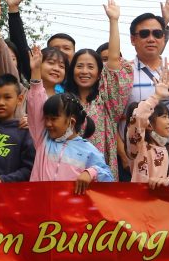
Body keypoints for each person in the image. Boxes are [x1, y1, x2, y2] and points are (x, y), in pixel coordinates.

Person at [63, 0, 133, 178]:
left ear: (100, 72)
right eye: (80, 66)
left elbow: (114, 63)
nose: (84, 71)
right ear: (72, 70)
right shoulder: (63, 101)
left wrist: (113, 21)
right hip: (68, 173)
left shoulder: (106, 101)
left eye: (90, 67)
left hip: (100, 175)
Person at [25, 63, 113, 192]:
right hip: (39, 203)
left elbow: (108, 177)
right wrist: (36, 71)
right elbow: (35, 104)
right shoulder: (42, 140)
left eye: (53, 119)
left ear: (71, 122)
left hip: (71, 205)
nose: (47, 123)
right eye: (46, 118)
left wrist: (91, 172)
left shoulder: (89, 150)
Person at [129, 0, 169, 113]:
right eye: (144, 34)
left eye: (157, 34)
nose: (151, 39)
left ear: (163, 38)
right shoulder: (125, 71)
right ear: (133, 39)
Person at [126, 95, 169, 188]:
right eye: (164, 117)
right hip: (142, 197)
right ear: (148, 124)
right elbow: (138, 118)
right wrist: (156, 96)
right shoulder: (139, 148)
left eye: (168, 117)